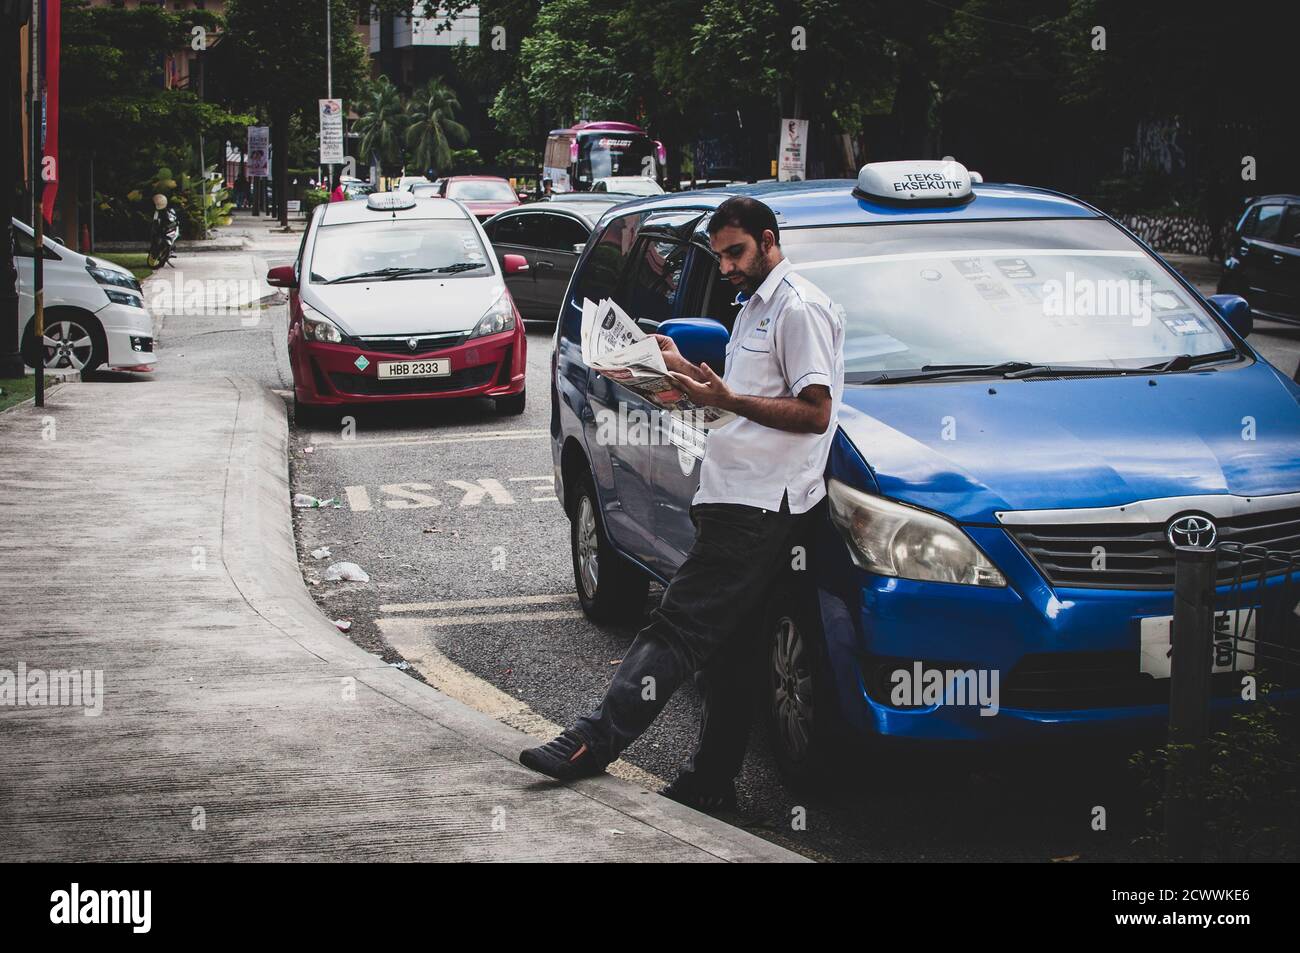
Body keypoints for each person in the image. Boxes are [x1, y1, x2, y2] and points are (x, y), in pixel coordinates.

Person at [520, 196, 845, 810]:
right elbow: (739, 405)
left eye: (736, 253)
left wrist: (725, 397)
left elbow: (815, 412)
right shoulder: (753, 306)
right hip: (728, 492)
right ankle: (711, 782)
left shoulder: (798, 310)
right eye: (718, 256)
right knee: (731, 649)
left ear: (769, 240)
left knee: (677, 625)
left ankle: (595, 740)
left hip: (758, 505)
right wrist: (678, 379)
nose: (725, 268)